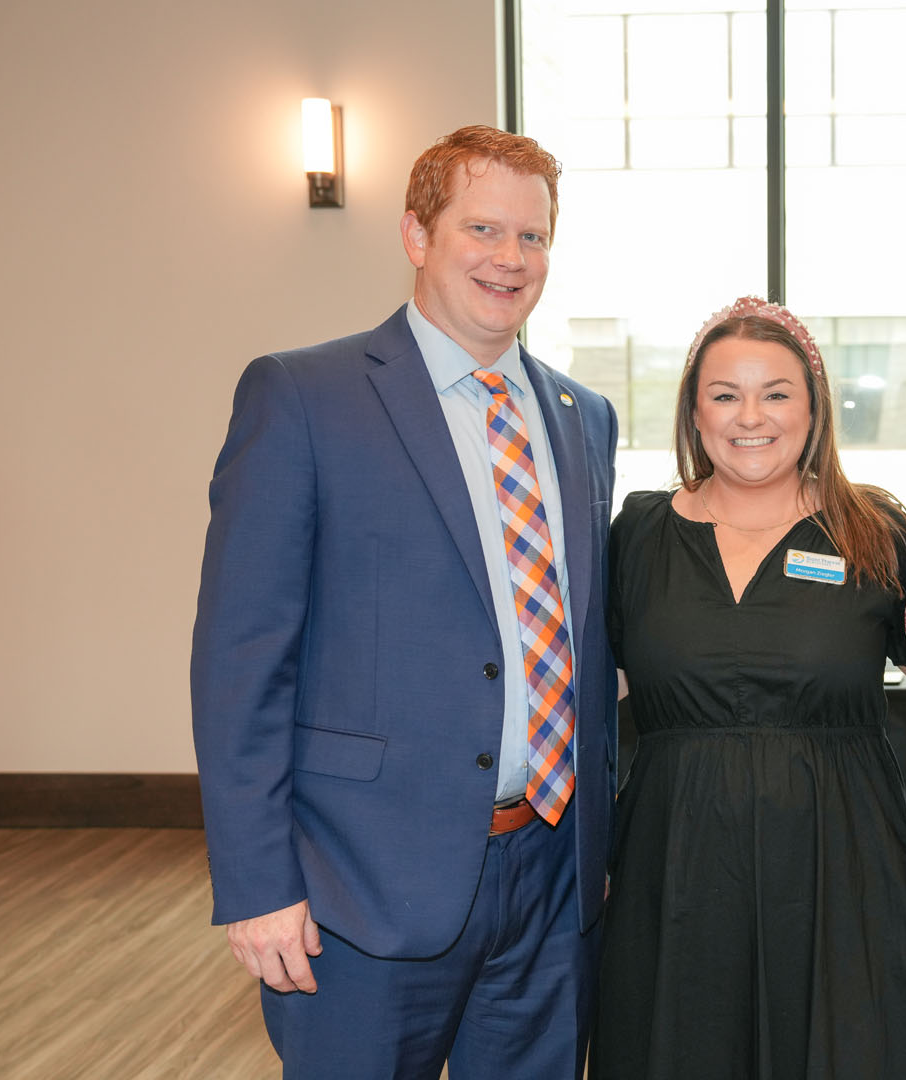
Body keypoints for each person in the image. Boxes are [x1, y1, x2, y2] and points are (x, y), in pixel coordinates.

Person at [190, 125, 619, 1079]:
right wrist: (257, 886)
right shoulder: (303, 396)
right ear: (416, 235)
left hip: (551, 879)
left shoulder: (583, 419)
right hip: (361, 886)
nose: (510, 259)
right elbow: (240, 664)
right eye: (482, 229)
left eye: (534, 237)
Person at [592, 298, 906, 1079]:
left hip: (843, 866)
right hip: (673, 863)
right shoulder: (636, 534)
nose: (751, 416)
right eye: (725, 394)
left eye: (777, 393)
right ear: (694, 409)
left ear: (815, 408)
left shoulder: (876, 532)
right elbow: (590, 699)